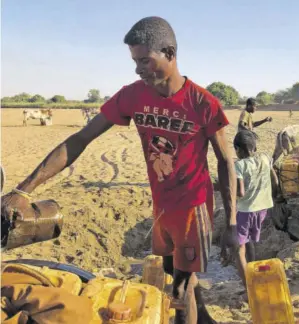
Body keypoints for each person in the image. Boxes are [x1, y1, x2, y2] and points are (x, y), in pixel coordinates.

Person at [1, 16, 239, 324]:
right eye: (135, 61)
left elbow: (225, 161)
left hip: (194, 209)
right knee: (171, 272)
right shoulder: (133, 96)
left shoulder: (202, 103)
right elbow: (80, 139)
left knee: (181, 287)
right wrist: (23, 190)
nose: (138, 68)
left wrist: (232, 224)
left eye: (144, 60)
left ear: (169, 52)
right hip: (162, 206)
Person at [232, 130, 278, 288]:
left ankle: (248, 285)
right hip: (263, 208)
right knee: (250, 240)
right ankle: (253, 271)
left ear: (237, 149)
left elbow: (241, 192)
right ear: (255, 148)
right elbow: (275, 180)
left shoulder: (239, 165)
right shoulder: (265, 158)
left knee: (239, 248)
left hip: (246, 210)